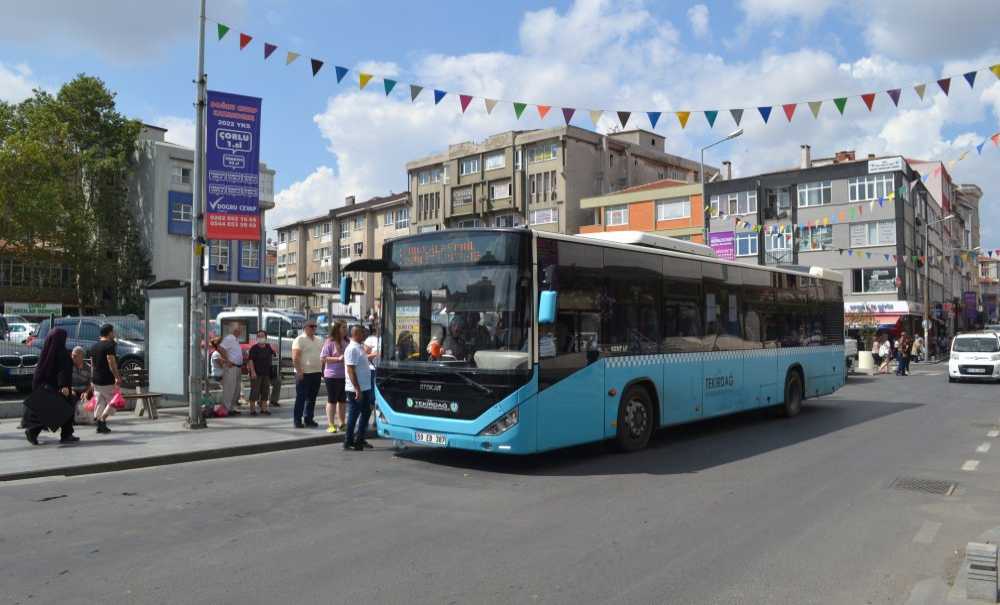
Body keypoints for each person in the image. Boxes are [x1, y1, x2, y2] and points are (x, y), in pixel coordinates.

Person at [23, 328, 77, 445]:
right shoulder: (61, 352)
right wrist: (64, 386)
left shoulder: (47, 351)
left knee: (52, 411)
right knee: (61, 410)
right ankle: (34, 431)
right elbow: (63, 370)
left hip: (46, 386)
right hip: (59, 387)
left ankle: (67, 434)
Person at [344, 325, 374, 451]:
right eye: (362, 333)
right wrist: (357, 389)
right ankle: (349, 441)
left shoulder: (359, 347)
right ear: (355, 334)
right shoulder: (352, 349)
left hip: (365, 387)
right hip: (356, 389)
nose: (364, 335)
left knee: (366, 413)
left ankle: (359, 439)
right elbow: (350, 370)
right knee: (354, 415)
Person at [90, 323, 122, 434]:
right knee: (114, 402)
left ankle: (100, 425)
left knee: (100, 402)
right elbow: (111, 362)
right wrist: (117, 377)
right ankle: (102, 418)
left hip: (96, 379)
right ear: (109, 333)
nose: (114, 334)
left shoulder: (94, 346)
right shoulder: (109, 345)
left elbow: (92, 364)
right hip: (107, 379)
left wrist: (92, 379)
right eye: (113, 332)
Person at [292, 319, 323, 428]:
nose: (314, 328)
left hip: (316, 372)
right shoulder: (299, 339)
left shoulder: (319, 339)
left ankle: (309, 419)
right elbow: (295, 357)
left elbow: (322, 355)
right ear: (305, 327)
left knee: (312, 398)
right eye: (311, 326)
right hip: (304, 373)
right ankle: (297, 420)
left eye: (315, 326)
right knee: (301, 397)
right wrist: (299, 371)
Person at [321, 321, 349, 433]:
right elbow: (323, 358)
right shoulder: (329, 342)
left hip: (344, 375)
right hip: (332, 376)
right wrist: (337, 359)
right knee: (332, 400)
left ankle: (342, 423)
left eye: (346, 327)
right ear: (337, 329)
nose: (346, 329)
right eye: (343, 327)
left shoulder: (347, 341)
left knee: (342, 401)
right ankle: (331, 424)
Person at [247, 330, 275, 416]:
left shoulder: (268, 347)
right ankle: (252, 410)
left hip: (266, 373)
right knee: (255, 391)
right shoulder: (254, 348)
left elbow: (273, 355)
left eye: (262, 336)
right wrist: (252, 372)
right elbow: (250, 360)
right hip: (256, 373)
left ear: (266, 337)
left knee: (265, 391)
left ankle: (264, 409)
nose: (260, 338)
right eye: (259, 336)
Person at [218, 324, 244, 415]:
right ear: (234, 330)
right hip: (231, 367)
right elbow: (220, 348)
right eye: (239, 329)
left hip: (237, 367)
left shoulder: (235, 339)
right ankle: (226, 408)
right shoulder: (229, 338)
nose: (241, 331)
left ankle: (231, 408)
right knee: (229, 388)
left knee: (236, 389)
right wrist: (227, 360)